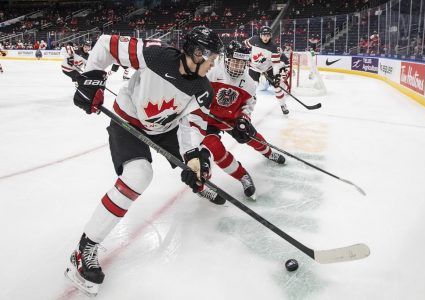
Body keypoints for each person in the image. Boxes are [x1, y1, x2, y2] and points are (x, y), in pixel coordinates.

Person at [64, 26, 224, 296]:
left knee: (198, 165)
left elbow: (189, 124)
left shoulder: (202, 87)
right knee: (139, 175)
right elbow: (105, 45)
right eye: (211, 58)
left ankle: (197, 184)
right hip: (128, 121)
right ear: (197, 53)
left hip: (165, 128)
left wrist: (193, 157)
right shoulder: (154, 55)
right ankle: (85, 248)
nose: (213, 64)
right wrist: (91, 79)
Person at [202, 40, 286, 199]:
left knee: (252, 136)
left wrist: (244, 118)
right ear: (226, 59)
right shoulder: (211, 73)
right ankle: (242, 176)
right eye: (234, 62)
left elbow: (249, 103)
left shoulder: (248, 82)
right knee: (216, 150)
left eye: (242, 63)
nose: (238, 67)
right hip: (208, 121)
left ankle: (268, 153)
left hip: (232, 118)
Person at [244, 25, 289, 115]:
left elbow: (276, 64)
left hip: (268, 68)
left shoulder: (273, 47)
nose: (266, 37)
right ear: (260, 35)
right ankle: (245, 107)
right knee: (253, 86)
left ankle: (283, 105)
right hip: (254, 68)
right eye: (264, 35)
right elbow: (244, 46)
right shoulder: (254, 40)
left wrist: (276, 76)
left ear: (270, 36)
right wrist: (246, 57)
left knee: (277, 87)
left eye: (268, 35)